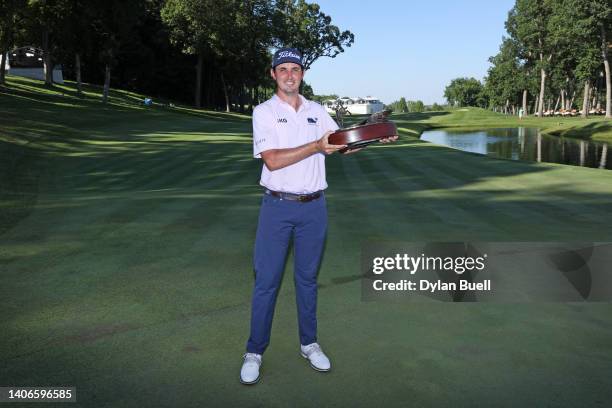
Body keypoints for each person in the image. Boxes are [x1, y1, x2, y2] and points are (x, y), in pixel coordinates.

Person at [240, 47, 397, 385]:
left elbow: (341, 144)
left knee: (307, 280)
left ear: (302, 74)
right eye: (282, 69)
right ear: (273, 74)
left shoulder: (317, 111)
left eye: (295, 69)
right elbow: (272, 160)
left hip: (314, 208)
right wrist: (315, 146)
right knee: (266, 281)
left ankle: (309, 344)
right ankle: (254, 351)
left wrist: (374, 134)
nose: (289, 74)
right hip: (277, 208)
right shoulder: (263, 111)